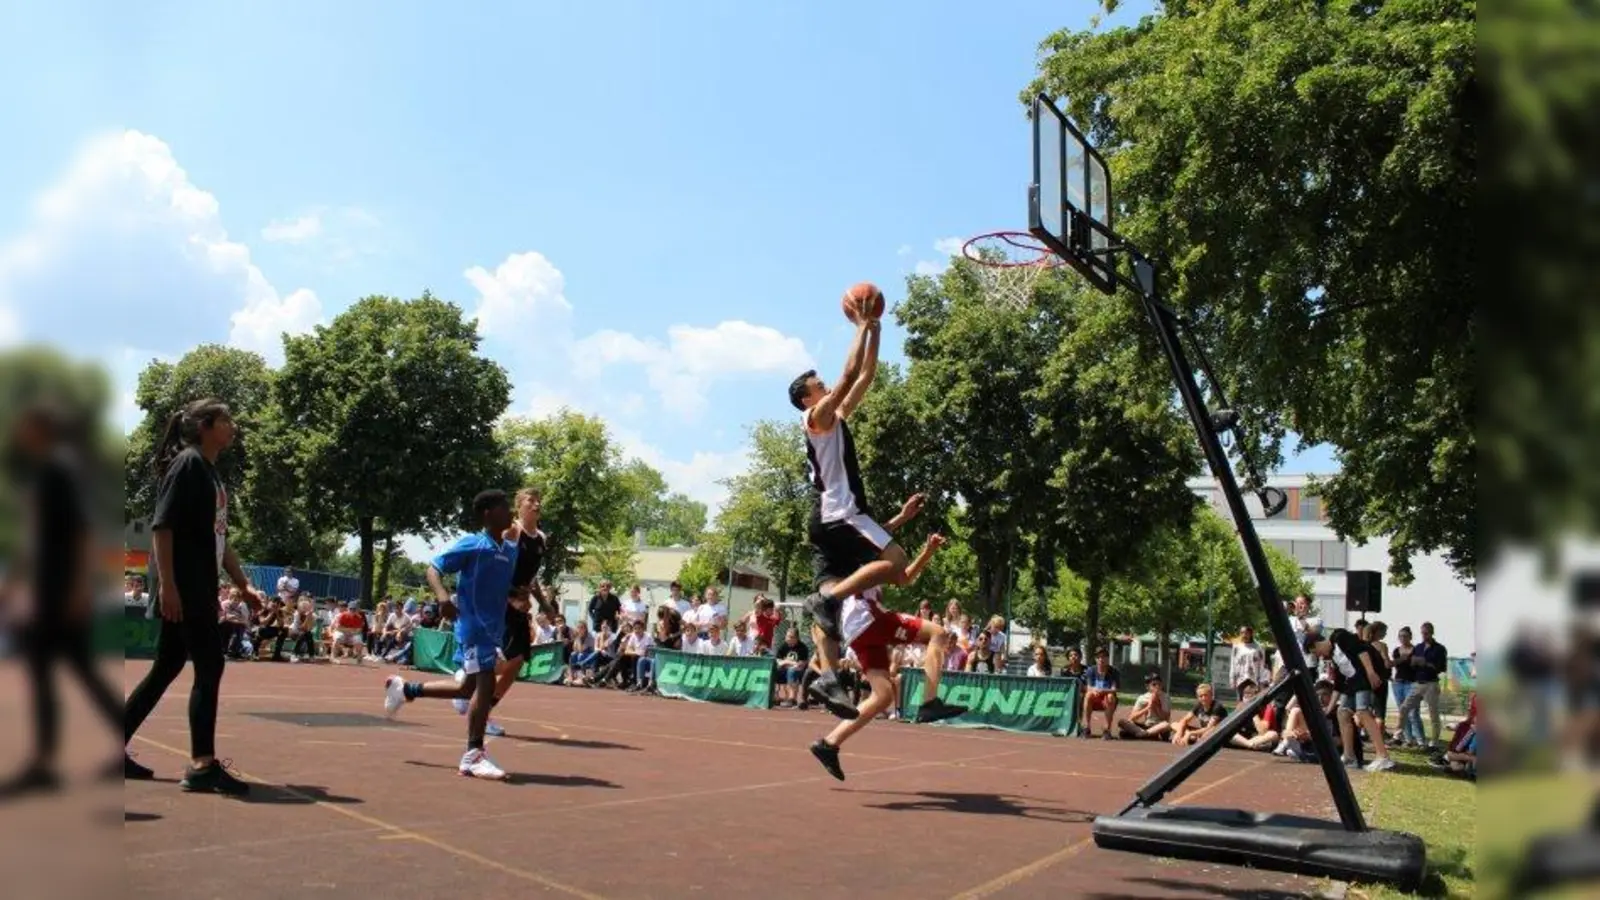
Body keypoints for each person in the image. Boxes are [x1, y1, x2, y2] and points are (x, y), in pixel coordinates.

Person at [788, 303, 923, 720]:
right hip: (840, 511)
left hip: (827, 520)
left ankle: (829, 677)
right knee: (896, 563)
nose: (826, 385)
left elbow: (864, 376)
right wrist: (860, 326)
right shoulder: (816, 417)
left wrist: (875, 330)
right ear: (807, 398)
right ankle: (828, 598)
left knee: (827, 610)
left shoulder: (835, 417)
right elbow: (848, 376)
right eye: (819, 384)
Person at [122, 398, 263, 794]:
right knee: (210, 664)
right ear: (205, 425)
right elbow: (162, 528)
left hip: (195, 586)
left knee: (167, 666)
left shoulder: (210, 473)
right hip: (187, 588)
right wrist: (168, 586)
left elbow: (220, 538)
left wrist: (243, 584)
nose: (233, 425)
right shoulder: (188, 465)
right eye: (226, 419)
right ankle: (202, 765)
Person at [0, 403, 128, 797]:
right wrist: (15, 583)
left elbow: (83, 532)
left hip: (61, 591)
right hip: (46, 590)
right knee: (56, 669)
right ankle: (45, 761)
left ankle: (46, 763)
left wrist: (79, 588)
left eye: (26, 426)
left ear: (40, 429)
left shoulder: (60, 470)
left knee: (71, 669)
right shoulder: (43, 474)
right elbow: (33, 539)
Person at [808, 534, 967, 780]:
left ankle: (829, 744)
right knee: (938, 633)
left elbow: (904, 578)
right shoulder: (867, 559)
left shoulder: (871, 564)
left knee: (883, 696)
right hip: (868, 620)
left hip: (857, 630)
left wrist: (927, 551)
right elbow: (901, 575)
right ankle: (929, 702)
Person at [384, 490, 519, 781]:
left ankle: (406, 690)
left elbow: (501, 587)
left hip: (493, 630)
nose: (510, 513)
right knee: (485, 685)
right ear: (488, 514)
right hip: (473, 628)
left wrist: (519, 597)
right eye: (504, 508)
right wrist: (443, 597)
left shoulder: (509, 550)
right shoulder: (473, 544)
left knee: (466, 689)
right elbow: (433, 569)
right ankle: (473, 754)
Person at [448, 487, 548, 738]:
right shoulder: (512, 531)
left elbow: (532, 579)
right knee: (504, 659)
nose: (536, 504)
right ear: (519, 506)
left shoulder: (541, 539)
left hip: (519, 603)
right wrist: (510, 597)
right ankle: (468, 681)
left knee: (517, 662)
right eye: (530, 500)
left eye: (538, 501)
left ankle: (483, 706)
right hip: (500, 601)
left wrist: (544, 604)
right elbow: (496, 566)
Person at [1302, 628, 1396, 771]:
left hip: (1367, 676)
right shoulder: (1334, 658)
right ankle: (1349, 757)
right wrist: (1328, 710)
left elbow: (1361, 651)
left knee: (1362, 712)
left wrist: (1371, 673)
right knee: (1342, 712)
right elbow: (1339, 685)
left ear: (1316, 644)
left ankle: (1383, 757)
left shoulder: (1339, 637)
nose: (1319, 656)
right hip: (1354, 682)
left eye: (1315, 652)